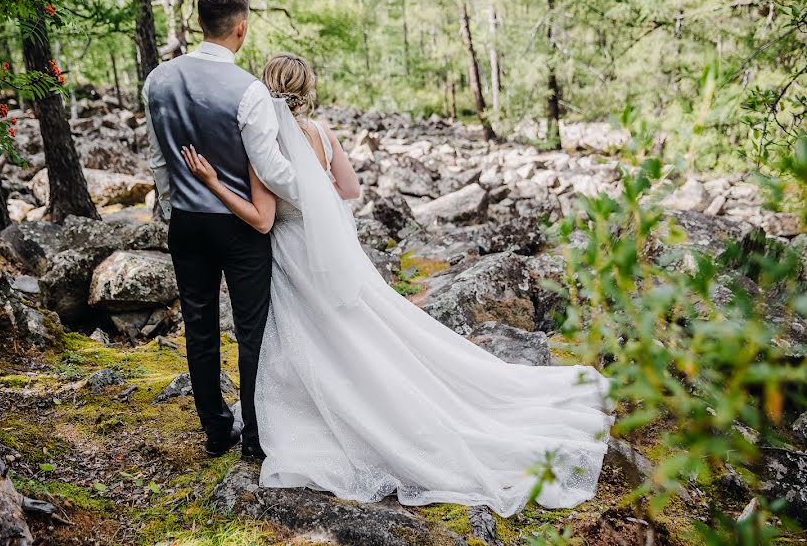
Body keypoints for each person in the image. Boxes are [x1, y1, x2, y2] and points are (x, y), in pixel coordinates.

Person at [181, 52, 615, 517]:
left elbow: (264, 221)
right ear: (307, 90)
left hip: (290, 251)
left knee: (307, 339)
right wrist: (318, 189)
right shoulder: (323, 134)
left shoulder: (262, 146)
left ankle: (327, 412)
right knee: (360, 329)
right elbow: (349, 191)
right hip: (330, 250)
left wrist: (212, 181)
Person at [143, 0, 297, 459]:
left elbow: (157, 161)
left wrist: (173, 208)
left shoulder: (157, 81)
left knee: (199, 325)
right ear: (241, 28)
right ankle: (254, 439)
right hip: (238, 226)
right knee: (252, 330)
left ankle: (215, 431)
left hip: (186, 223)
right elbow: (268, 169)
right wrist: (305, 194)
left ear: (199, 23)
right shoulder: (249, 90)